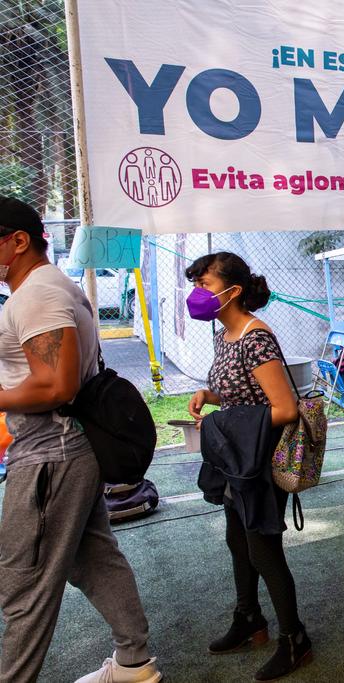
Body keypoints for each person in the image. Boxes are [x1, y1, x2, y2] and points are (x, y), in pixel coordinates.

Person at [0, 197, 161, 683]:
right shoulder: (42, 288)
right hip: (63, 448)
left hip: (50, 452)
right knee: (91, 558)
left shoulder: (36, 294)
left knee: (24, 580)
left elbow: (56, 386)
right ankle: (134, 663)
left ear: (18, 241)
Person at [185, 252, 311, 680]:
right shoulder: (224, 335)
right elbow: (243, 394)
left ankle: (295, 640)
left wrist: (221, 421)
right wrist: (210, 396)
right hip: (236, 457)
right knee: (237, 541)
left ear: (233, 291)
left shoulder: (256, 338)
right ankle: (249, 619)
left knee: (262, 549)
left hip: (259, 459)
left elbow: (285, 408)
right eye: (196, 285)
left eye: (204, 284)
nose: (197, 293)